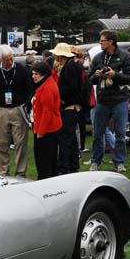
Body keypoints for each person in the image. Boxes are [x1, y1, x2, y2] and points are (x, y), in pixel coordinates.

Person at [88, 30, 130, 173]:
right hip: (102, 99)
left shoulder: (125, 56)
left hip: (119, 99)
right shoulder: (97, 58)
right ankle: (96, 161)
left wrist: (115, 75)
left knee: (120, 134)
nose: (100, 43)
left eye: (102, 41)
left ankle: (119, 162)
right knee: (97, 133)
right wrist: (96, 75)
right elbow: (89, 79)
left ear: (111, 42)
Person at [0, 45, 32, 177]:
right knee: (2, 142)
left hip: (18, 108)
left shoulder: (22, 70)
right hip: (1, 110)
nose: (10, 62)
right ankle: (3, 172)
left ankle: (21, 172)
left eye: (11, 59)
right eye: (6, 60)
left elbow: (29, 90)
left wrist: (27, 108)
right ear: (0, 59)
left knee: (20, 142)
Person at [51, 43, 83, 174]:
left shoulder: (70, 67)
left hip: (69, 106)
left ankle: (63, 166)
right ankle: (73, 165)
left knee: (65, 138)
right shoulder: (71, 65)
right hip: (73, 106)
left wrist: (57, 91)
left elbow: (71, 88)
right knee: (72, 139)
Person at [30, 61, 62, 179]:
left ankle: (44, 181)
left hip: (47, 130)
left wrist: (40, 132)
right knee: (49, 159)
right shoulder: (47, 83)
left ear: (43, 74)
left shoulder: (46, 87)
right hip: (48, 128)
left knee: (44, 160)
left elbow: (47, 111)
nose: (33, 76)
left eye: (36, 74)